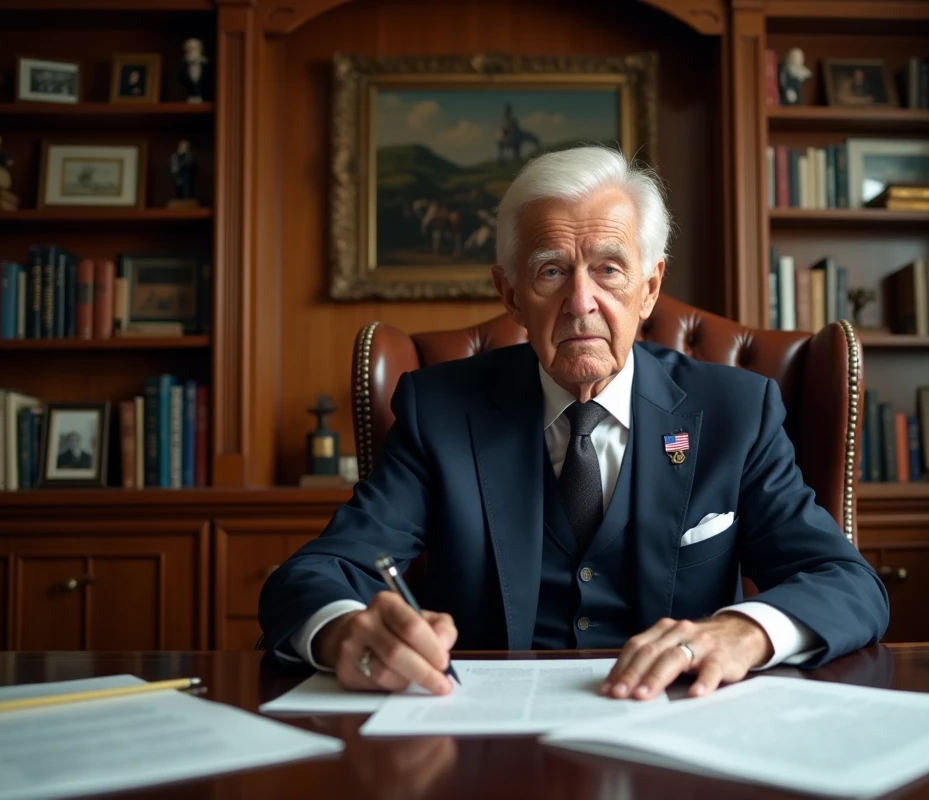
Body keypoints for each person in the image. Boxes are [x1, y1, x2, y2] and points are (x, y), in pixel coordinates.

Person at [258, 146, 888, 701]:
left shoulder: (735, 413)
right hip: (486, 740)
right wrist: (348, 630)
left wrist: (743, 632)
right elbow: (311, 577)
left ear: (649, 287)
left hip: (680, 731)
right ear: (510, 295)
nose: (581, 302)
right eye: (552, 270)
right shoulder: (440, 411)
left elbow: (846, 583)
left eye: (610, 269)